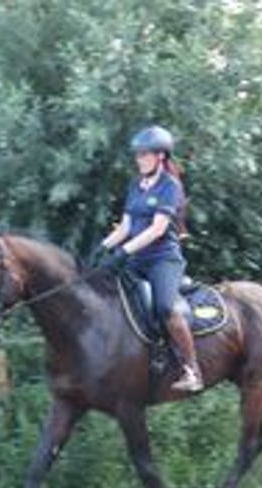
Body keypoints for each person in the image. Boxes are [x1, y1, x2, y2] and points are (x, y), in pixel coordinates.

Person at [96, 125, 203, 392]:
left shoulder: (170, 186)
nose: (140, 160)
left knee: (166, 308)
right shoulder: (136, 185)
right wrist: (102, 248)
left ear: (161, 157)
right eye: (138, 155)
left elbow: (157, 229)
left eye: (145, 155)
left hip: (162, 260)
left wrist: (124, 252)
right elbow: (125, 227)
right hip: (136, 259)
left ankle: (192, 370)